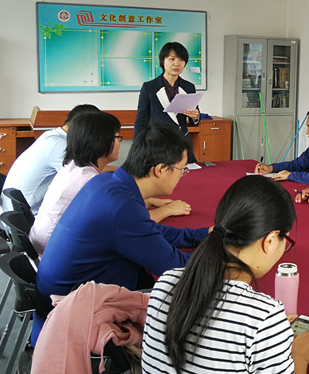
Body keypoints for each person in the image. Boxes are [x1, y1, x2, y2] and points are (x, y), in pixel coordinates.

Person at [141, 175, 309, 374]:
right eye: (285, 240)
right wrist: (298, 359)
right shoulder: (263, 318)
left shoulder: (166, 283)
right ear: (270, 240)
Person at [34, 123, 210, 343]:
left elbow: (149, 229)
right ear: (160, 169)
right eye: (181, 169)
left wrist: (202, 234)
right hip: (71, 308)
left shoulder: (108, 181)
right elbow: (175, 267)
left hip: (61, 291)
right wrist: (224, 252)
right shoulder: (121, 205)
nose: (182, 175)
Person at [28, 111, 193, 255]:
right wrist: (167, 210)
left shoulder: (76, 167)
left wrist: (148, 201)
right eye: (117, 137)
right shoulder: (89, 181)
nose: (120, 142)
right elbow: (131, 222)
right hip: (52, 248)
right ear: (100, 141)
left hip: (45, 243)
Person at [1, 104, 99, 214]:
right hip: (26, 216)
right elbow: (83, 179)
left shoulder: (51, 136)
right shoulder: (60, 145)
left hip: (14, 211)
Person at [134, 41, 200, 162]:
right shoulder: (149, 87)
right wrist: (137, 148)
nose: (177, 63)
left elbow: (194, 118)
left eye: (181, 60)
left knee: (190, 171)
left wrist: (196, 116)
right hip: (158, 144)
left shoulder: (189, 87)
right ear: (163, 61)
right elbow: (141, 120)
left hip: (181, 143)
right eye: (172, 59)